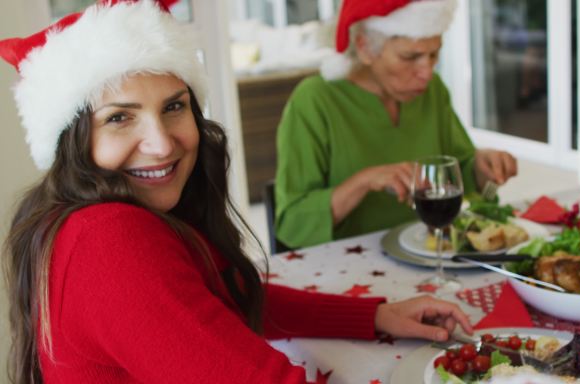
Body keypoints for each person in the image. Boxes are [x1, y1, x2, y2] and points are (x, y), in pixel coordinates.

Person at [0, 1, 473, 383]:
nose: (162, 142)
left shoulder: (112, 215)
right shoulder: (107, 237)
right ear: (73, 139)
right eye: (119, 117)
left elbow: (232, 295)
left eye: (174, 107)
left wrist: (378, 316)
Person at [275, 0, 518, 249]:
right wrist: (365, 181)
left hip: (429, 253)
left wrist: (481, 165)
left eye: (434, 54)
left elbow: (458, 174)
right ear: (365, 48)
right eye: (410, 57)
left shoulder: (432, 91)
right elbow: (291, 223)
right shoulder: (314, 100)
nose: (426, 71)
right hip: (347, 265)